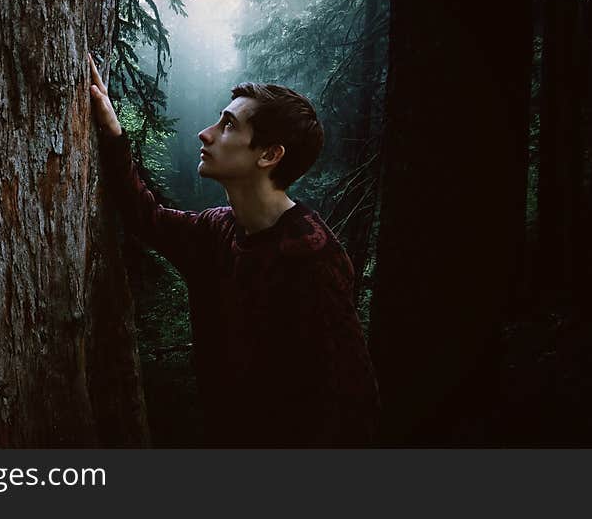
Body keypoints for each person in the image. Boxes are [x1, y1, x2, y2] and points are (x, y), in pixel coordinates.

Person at [88, 54, 379, 447]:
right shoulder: (217, 228)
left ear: (269, 154)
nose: (205, 134)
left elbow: (353, 405)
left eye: (228, 126)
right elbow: (147, 217)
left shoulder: (311, 258)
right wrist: (113, 132)